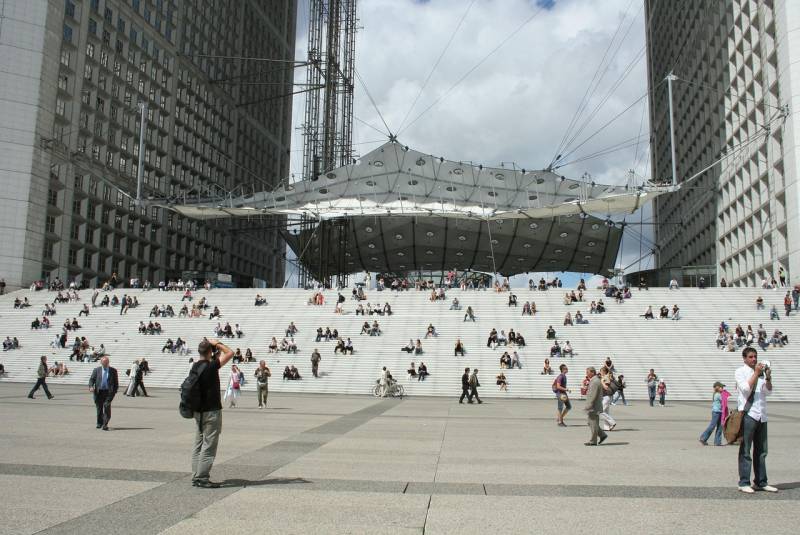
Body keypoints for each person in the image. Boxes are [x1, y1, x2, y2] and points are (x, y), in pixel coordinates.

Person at [189, 338, 234, 488]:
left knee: (198, 444)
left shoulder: (195, 366)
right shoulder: (211, 366)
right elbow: (230, 352)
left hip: (198, 411)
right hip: (211, 411)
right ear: (210, 352)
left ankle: (196, 475)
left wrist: (212, 347)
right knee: (209, 445)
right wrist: (217, 344)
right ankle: (202, 477)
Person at [735, 347, 777, 493]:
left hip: (761, 415)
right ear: (744, 358)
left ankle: (761, 481)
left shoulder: (760, 374)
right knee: (745, 450)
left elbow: (768, 391)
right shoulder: (740, 371)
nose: (754, 359)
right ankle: (744, 482)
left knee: (762, 451)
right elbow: (746, 389)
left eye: (755, 357)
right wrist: (756, 373)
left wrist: (768, 377)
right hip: (748, 414)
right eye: (751, 357)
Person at [88, 357, 119, 430]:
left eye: (107, 362)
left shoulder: (113, 370)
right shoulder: (96, 370)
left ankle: (105, 424)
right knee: (99, 408)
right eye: (104, 362)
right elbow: (92, 379)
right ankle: (99, 423)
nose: (106, 364)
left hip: (109, 392)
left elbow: (116, 382)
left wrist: (114, 391)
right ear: (101, 362)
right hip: (98, 392)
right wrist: (91, 386)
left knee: (106, 406)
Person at [584, 367, 607, 446]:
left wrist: (589, 405)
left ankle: (593, 441)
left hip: (594, 406)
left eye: (588, 372)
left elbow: (593, 395)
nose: (586, 373)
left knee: (593, 423)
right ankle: (602, 435)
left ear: (592, 372)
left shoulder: (595, 381)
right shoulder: (595, 380)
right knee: (590, 422)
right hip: (594, 405)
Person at [699, 381, 725, 446]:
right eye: (721, 387)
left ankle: (717, 442)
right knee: (712, 426)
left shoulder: (717, 394)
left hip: (719, 412)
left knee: (720, 426)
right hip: (716, 412)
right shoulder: (718, 395)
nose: (723, 388)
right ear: (718, 387)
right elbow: (723, 400)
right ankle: (703, 438)